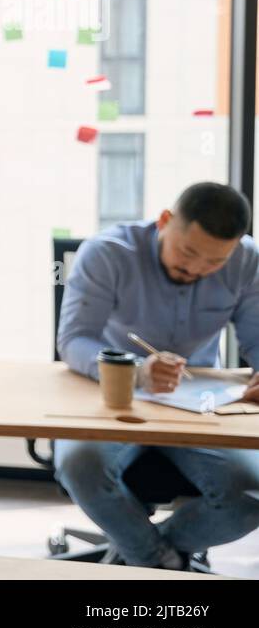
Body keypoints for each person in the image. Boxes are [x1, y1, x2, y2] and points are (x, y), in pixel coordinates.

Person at [56, 181, 259, 568]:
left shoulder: (248, 260)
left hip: (199, 403)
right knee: (79, 464)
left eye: (215, 262)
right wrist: (134, 371)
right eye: (188, 252)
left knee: (252, 492)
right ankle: (165, 565)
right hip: (110, 396)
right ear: (165, 221)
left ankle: (149, 555)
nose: (197, 269)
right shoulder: (108, 252)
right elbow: (74, 339)